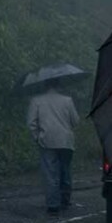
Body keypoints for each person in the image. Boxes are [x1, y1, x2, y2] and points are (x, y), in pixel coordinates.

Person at [26, 81, 80, 215]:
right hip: (66, 141)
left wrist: (37, 137)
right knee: (65, 170)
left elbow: (31, 123)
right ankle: (65, 200)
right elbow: (75, 121)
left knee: (51, 173)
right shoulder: (67, 100)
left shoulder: (36, 101)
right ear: (58, 86)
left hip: (47, 141)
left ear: (45, 86)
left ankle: (53, 204)